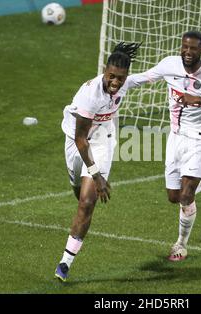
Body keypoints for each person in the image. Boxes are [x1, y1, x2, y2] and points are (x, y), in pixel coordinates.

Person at [126, 30, 201, 261]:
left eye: (193, 48)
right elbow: (142, 77)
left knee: (186, 196)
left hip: (200, 138)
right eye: (184, 47)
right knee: (174, 196)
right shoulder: (170, 64)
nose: (187, 52)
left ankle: (180, 245)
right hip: (175, 138)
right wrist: (112, 82)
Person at [55, 42, 141, 282]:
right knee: (78, 188)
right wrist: (96, 176)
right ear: (105, 70)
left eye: (120, 78)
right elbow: (81, 140)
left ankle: (65, 263)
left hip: (103, 139)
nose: (115, 82)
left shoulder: (125, 84)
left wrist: (172, 71)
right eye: (111, 76)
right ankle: (80, 181)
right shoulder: (90, 95)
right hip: (77, 141)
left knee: (87, 201)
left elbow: (147, 77)